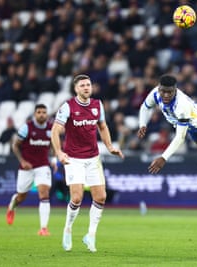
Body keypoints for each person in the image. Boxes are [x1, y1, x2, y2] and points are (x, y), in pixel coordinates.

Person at [51, 74, 124, 253]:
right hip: (73, 158)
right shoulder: (68, 107)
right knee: (76, 198)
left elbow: (103, 126)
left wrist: (109, 146)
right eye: (82, 85)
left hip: (93, 158)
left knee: (100, 197)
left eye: (88, 85)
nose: (86, 88)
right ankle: (67, 229)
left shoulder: (97, 105)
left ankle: (90, 236)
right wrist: (59, 152)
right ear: (76, 89)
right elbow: (55, 130)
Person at [6, 104, 53, 236]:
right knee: (21, 197)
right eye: (39, 112)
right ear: (35, 114)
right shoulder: (27, 127)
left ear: (47, 114)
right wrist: (22, 161)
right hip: (26, 168)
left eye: (44, 112)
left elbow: (54, 145)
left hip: (43, 166)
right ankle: (12, 206)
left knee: (44, 194)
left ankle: (43, 228)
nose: (42, 114)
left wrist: (54, 160)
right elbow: (15, 145)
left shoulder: (51, 128)